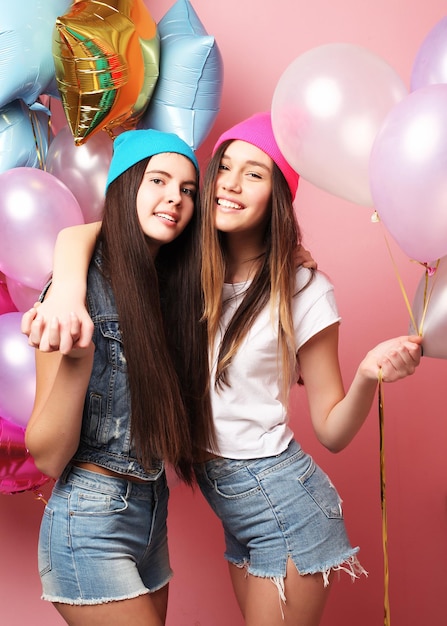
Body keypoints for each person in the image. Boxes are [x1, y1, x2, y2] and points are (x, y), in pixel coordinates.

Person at [23, 113, 422, 626]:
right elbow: (94, 234)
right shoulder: (130, 281)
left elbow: (332, 427)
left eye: (189, 188)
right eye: (222, 169)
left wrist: (366, 371)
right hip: (128, 513)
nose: (222, 186)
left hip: (232, 507)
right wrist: (71, 293)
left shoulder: (255, 284)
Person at [24, 128, 214, 626]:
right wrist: (76, 361)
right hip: (90, 520)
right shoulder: (74, 289)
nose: (175, 196)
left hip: (151, 514)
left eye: (188, 189)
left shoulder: (171, 290)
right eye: (159, 180)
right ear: (126, 185)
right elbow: (46, 453)